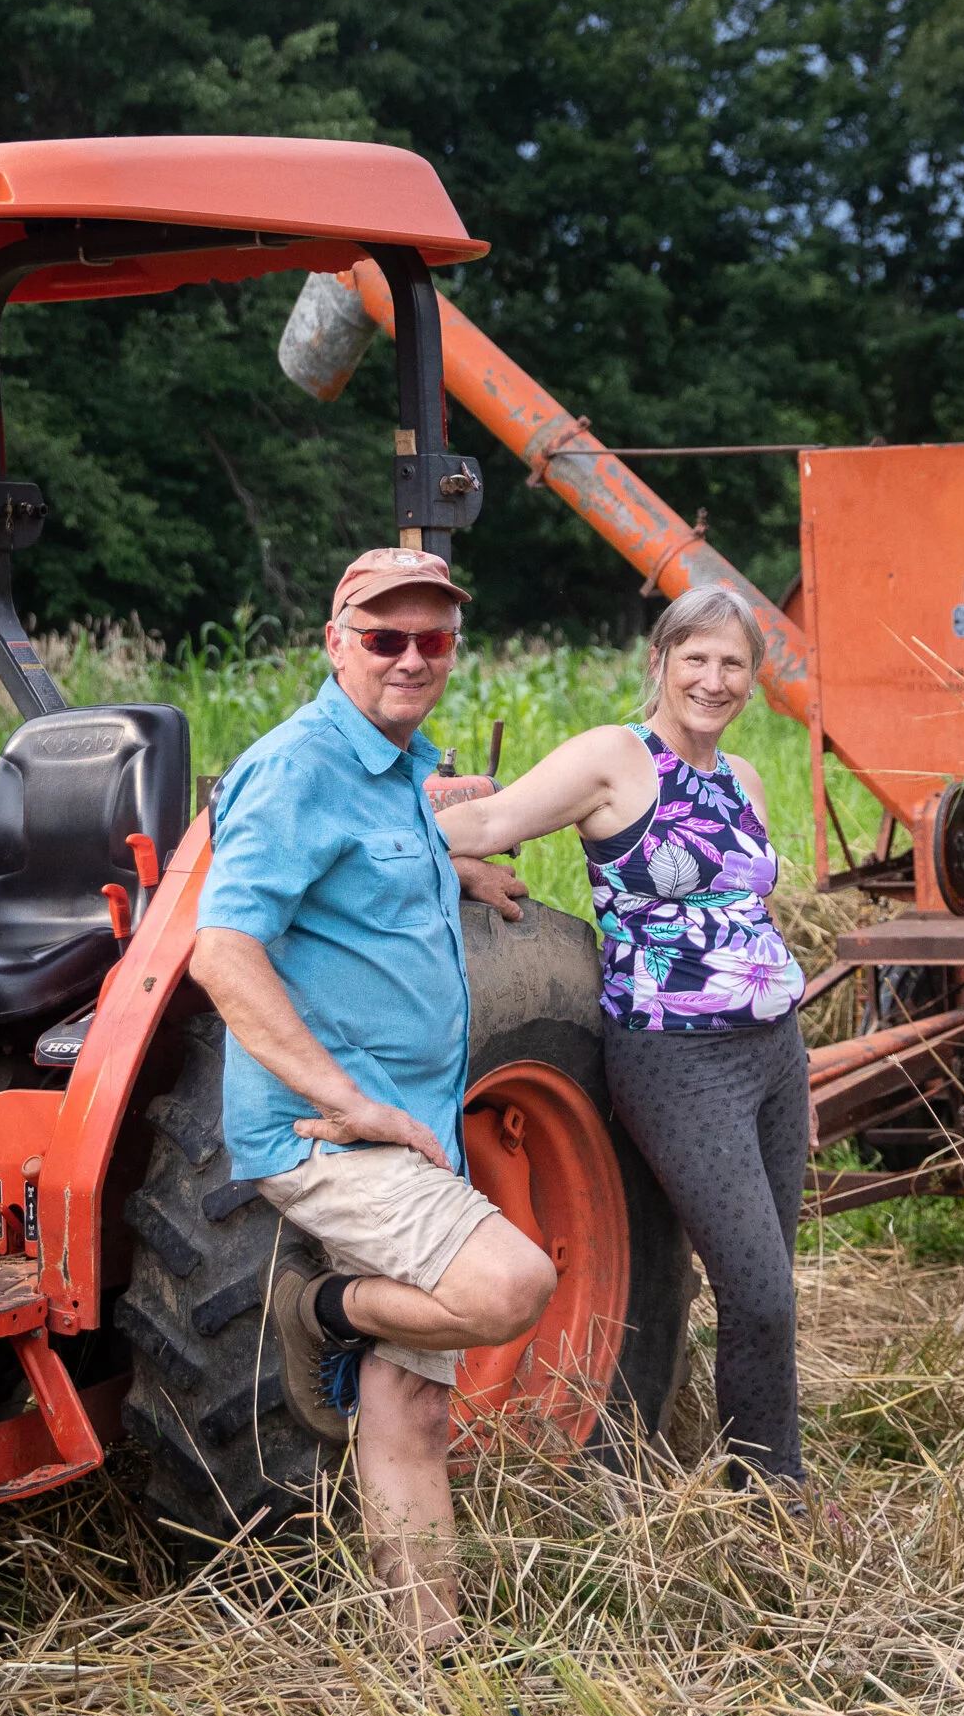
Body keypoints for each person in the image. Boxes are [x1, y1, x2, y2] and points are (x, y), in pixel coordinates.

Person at [189, 546, 553, 1649]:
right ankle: (321, 1314)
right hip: (338, 1132)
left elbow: (370, 868)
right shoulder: (296, 764)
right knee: (510, 1282)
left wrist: (456, 868)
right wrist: (347, 1098)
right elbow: (222, 952)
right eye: (383, 636)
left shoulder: (395, 766)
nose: (409, 657)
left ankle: (426, 1656)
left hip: (413, 1122)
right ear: (333, 642)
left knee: (411, 1408)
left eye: (431, 638)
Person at [432, 584, 811, 1492]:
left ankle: (758, 1479)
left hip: (773, 1054)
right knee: (760, 1291)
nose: (714, 681)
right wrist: (451, 858)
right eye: (697, 659)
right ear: (661, 663)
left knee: (768, 1286)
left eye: (733, 665)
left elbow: (744, 910)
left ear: (753, 681)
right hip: (678, 1059)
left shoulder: (744, 779)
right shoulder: (616, 759)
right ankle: (772, 1497)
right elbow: (483, 819)